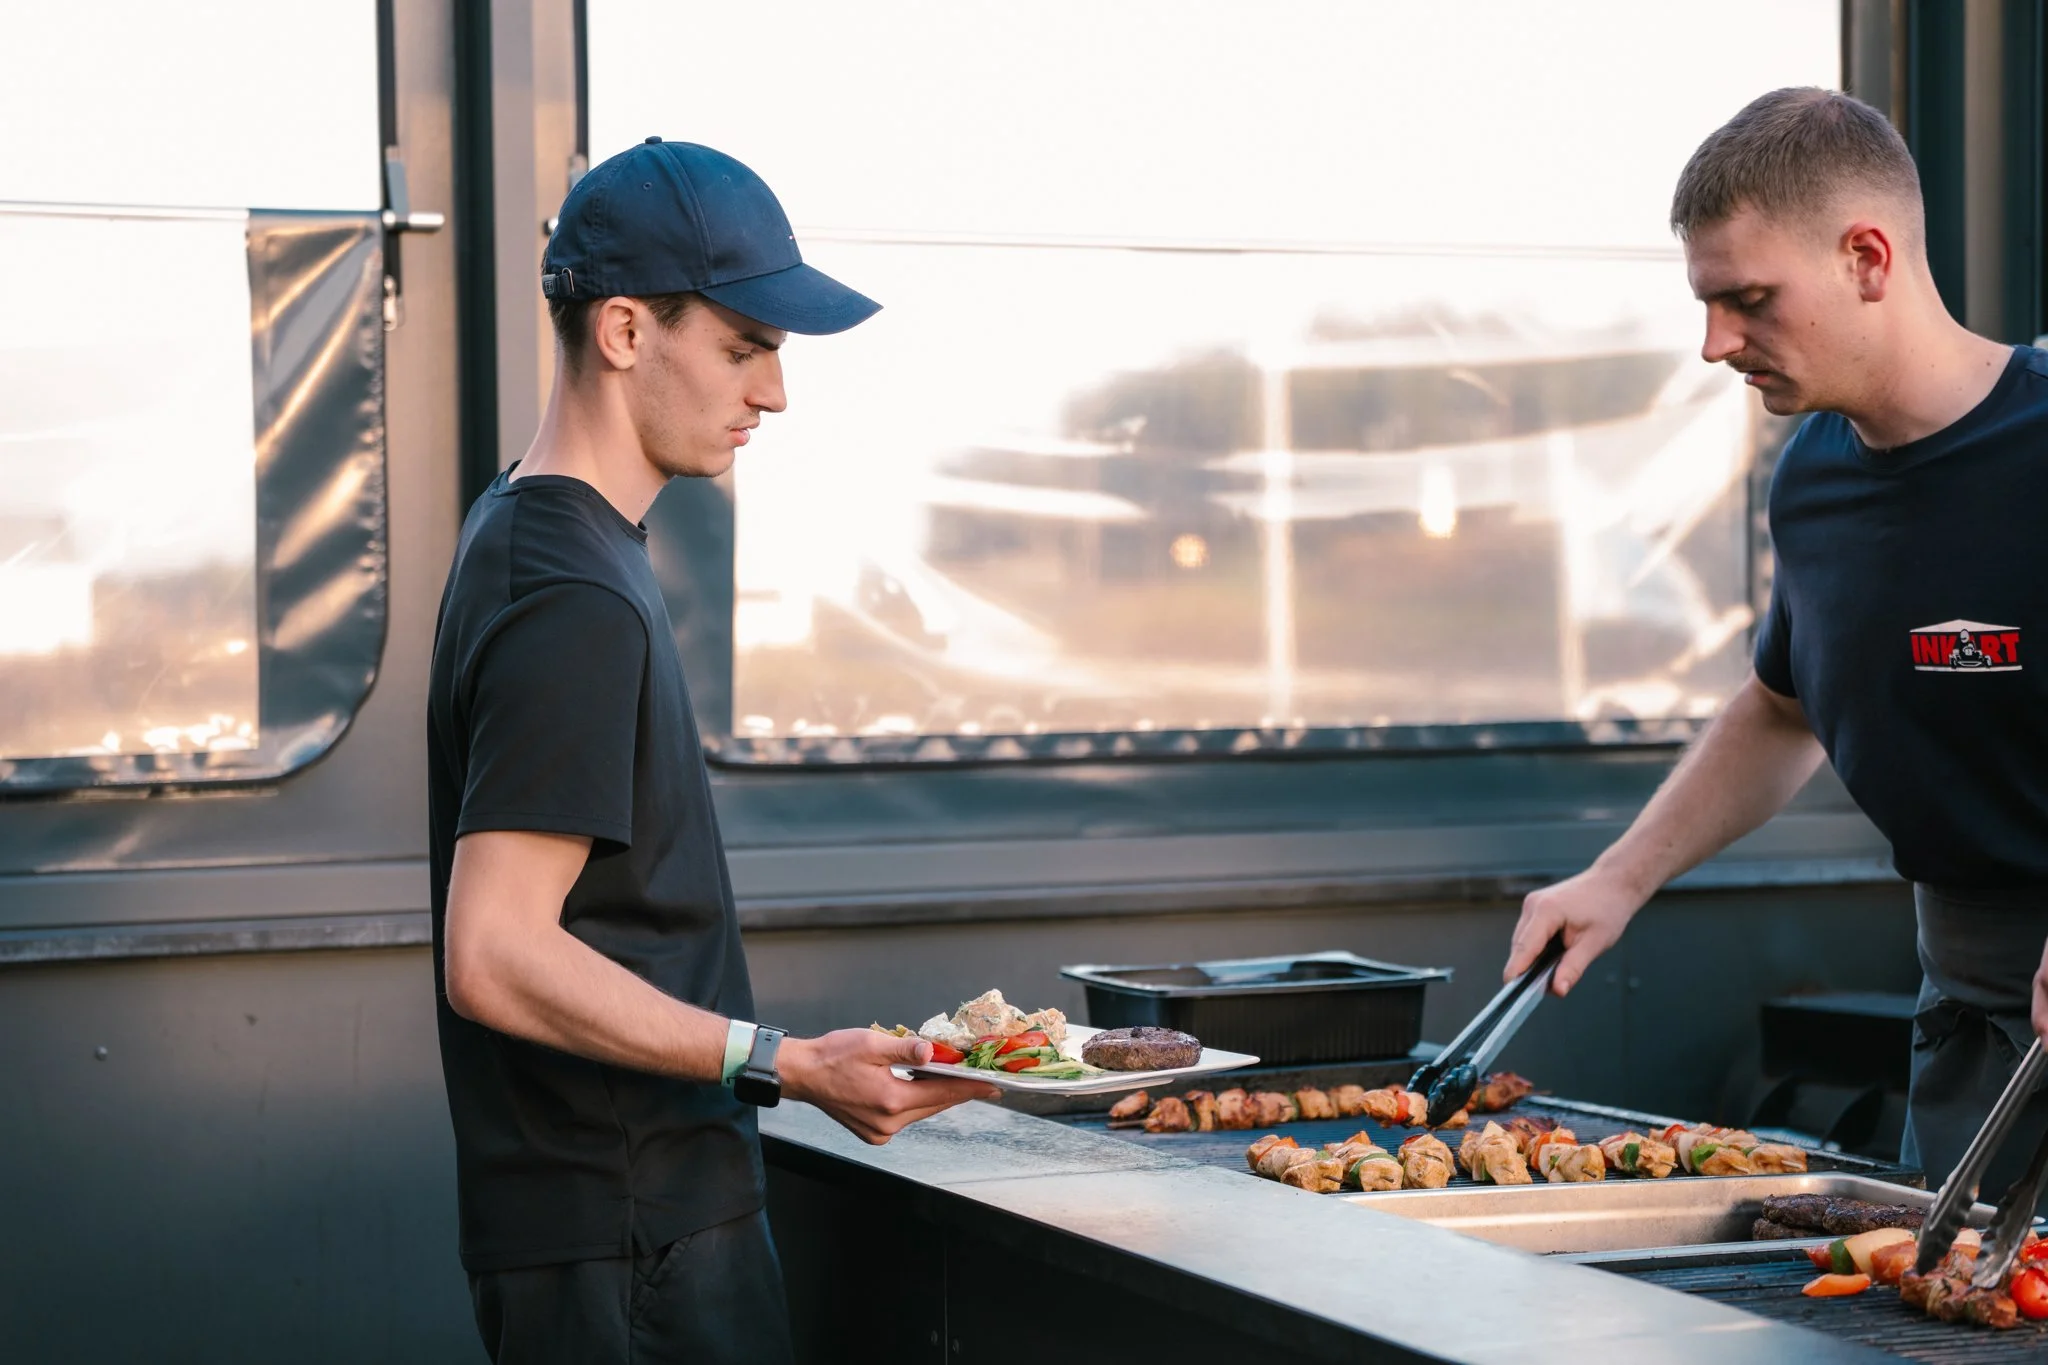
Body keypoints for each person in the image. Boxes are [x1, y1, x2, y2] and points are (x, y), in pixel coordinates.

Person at [425, 137, 999, 1365]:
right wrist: (782, 1063)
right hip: (631, 1240)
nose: (773, 394)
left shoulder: (525, 528)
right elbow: (495, 952)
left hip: (622, 1219)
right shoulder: (568, 591)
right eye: (744, 349)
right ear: (625, 330)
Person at [1503, 88, 2048, 1195]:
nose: (1713, 346)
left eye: (1748, 301)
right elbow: (1782, 703)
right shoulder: (1810, 477)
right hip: (1967, 1011)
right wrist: (1618, 878)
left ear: (1865, 257)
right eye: (1705, 305)